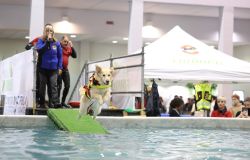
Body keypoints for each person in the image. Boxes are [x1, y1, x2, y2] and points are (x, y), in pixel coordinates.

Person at [36, 23, 62, 108]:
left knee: (53, 85)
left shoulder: (57, 43)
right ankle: (42, 103)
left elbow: (60, 56)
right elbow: (40, 50)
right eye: (47, 30)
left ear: (53, 32)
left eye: (51, 30)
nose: (49, 32)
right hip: (42, 68)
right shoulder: (41, 41)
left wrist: (60, 67)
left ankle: (54, 103)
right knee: (42, 86)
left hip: (53, 69)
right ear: (45, 32)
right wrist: (47, 42)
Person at [58, 35, 77, 108]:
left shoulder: (68, 48)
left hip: (65, 69)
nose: (66, 43)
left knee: (67, 86)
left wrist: (71, 46)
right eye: (64, 41)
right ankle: (58, 103)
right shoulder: (58, 46)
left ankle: (63, 102)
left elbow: (75, 56)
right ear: (61, 41)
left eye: (67, 42)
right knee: (59, 87)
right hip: (58, 69)